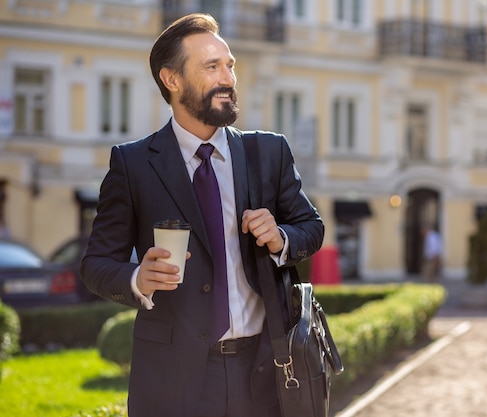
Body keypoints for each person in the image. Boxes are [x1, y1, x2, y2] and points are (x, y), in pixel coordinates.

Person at [80, 13, 324, 417]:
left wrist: (281, 237)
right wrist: (136, 278)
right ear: (172, 80)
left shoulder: (269, 152)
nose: (228, 78)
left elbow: (311, 228)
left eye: (229, 65)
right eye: (212, 67)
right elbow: (95, 264)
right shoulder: (134, 164)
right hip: (174, 378)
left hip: (266, 372)